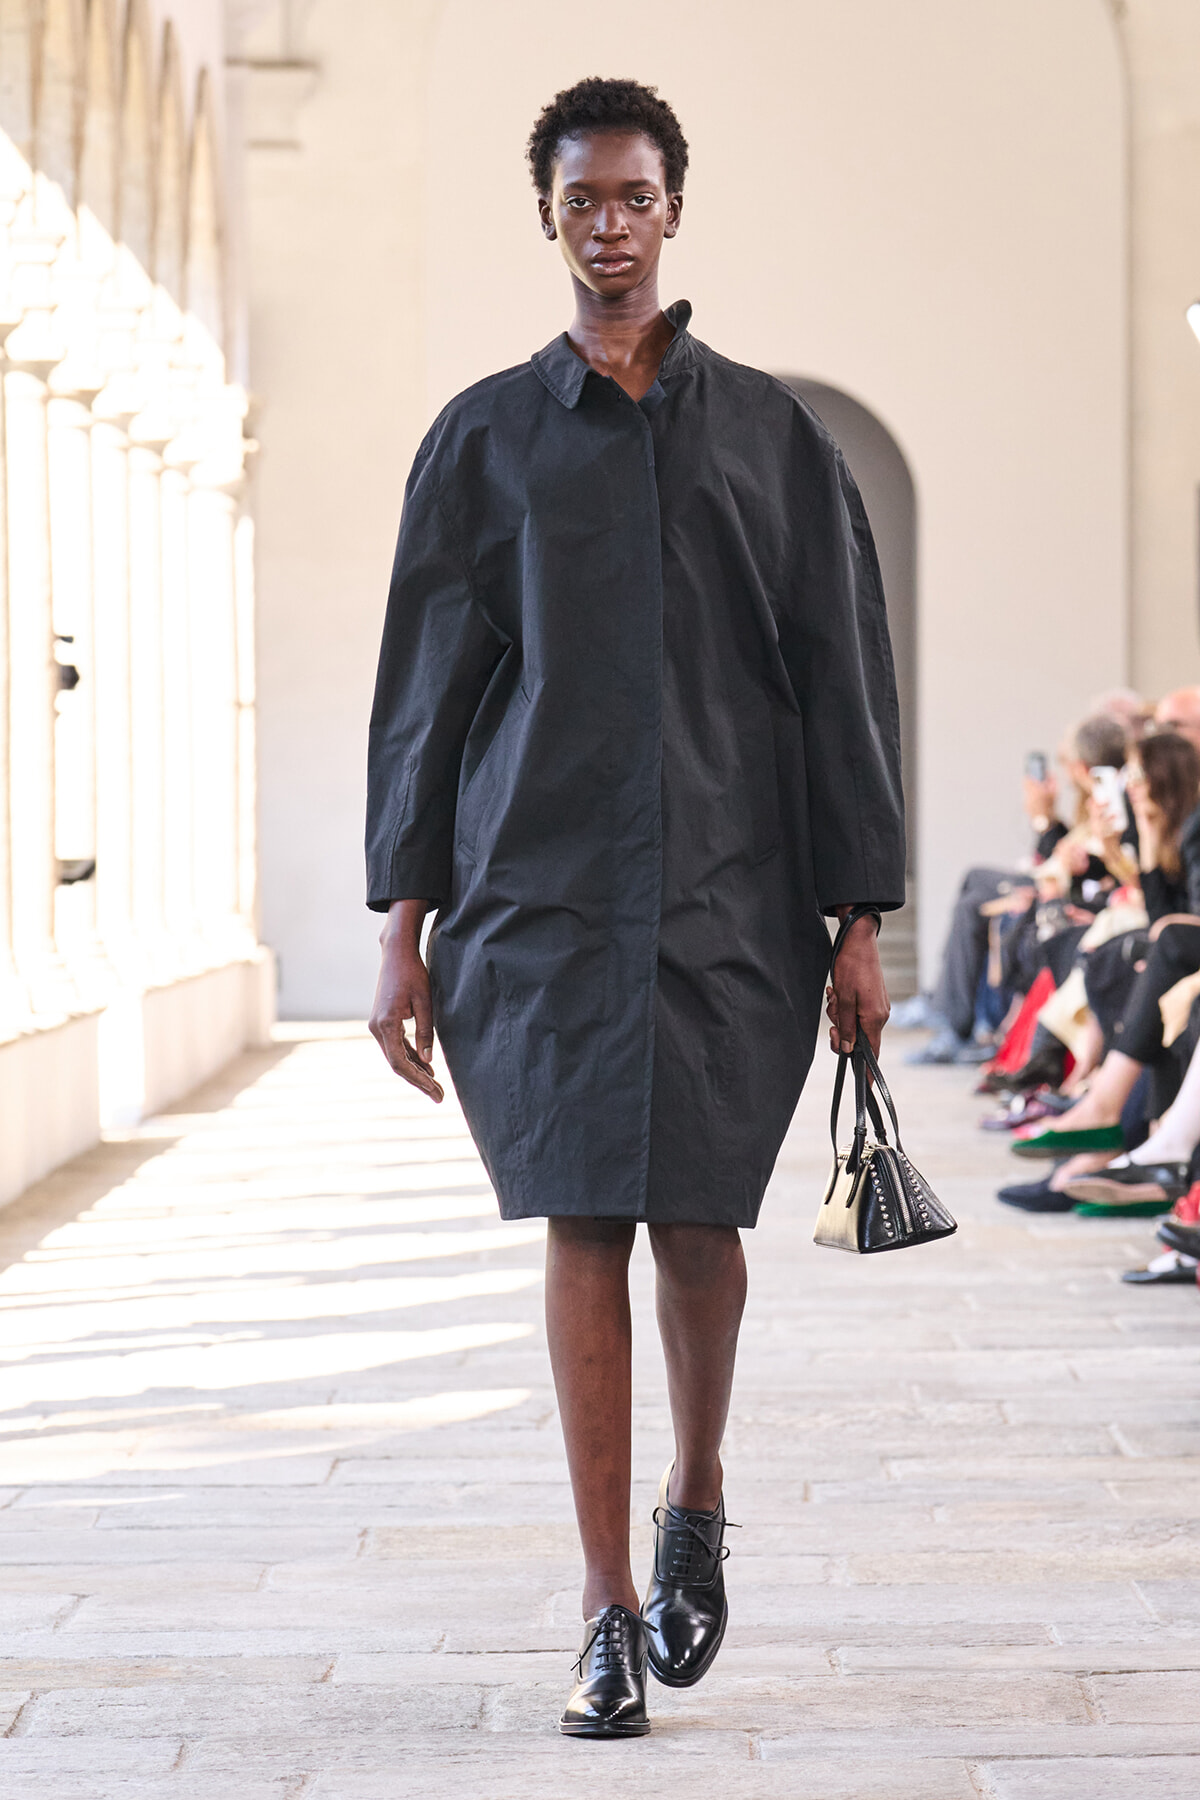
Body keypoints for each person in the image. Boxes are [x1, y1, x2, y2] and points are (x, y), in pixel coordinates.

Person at [364, 77, 905, 1739]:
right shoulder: (482, 437)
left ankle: (699, 1491)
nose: (611, 221)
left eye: (637, 195)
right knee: (581, 1222)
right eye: (584, 197)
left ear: (677, 209)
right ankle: (604, 1603)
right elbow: (425, 689)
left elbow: (839, 679)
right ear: (551, 216)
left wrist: (859, 913)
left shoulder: (772, 437)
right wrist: (402, 913)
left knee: (698, 1226)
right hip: (536, 897)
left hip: (734, 897)